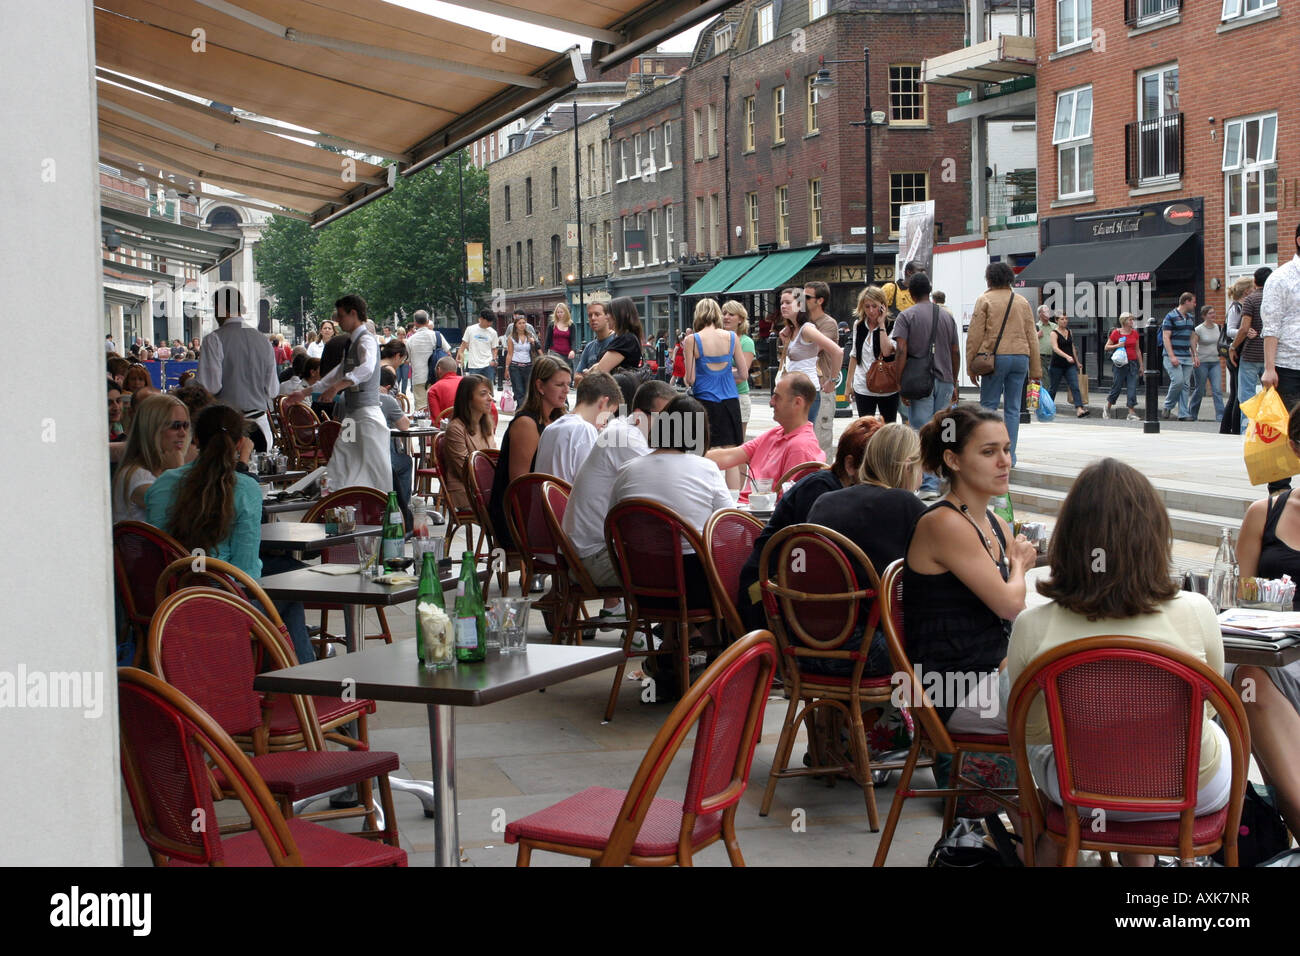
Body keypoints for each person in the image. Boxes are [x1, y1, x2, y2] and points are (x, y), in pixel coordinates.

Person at [1010, 460, 1227, 866]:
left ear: (1069, 538)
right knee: (1205, 739)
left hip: (1080, 792)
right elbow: (1209, 706)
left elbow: (1031, 728)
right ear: (1154, 536)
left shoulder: (1032, 624)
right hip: (1188, 791)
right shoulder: (1198, 611)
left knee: (1064, 747)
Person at [146, 404, 315, 666]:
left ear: (196, 439)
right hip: (222, 606)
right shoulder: (244, 488)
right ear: (239, 443)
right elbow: (246, 571)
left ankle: (281, 678)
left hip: (169, 602)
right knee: (289, 597)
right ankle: (301, 684)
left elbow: (156, 549)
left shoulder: (163, 484)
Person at [904, 403, 1036, 733]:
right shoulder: (945, 523)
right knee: (1078, 703)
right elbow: (1010, 604)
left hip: (988, 674)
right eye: (989, 451)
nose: (1004, 461)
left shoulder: (993, 521)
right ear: (953, 460)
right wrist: (1019, 565)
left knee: (1088, 684)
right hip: (948, 687)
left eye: (1006, 449)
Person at [797, 422, 927, 676]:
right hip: (864, 653)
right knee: (947, 646)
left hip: (804, 645)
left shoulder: (825, 501)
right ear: (909, 466)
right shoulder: (905, 505)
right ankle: (908, 714)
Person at [735, 416, 884, 633]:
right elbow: (816, 563)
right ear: (851, 465)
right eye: (874, 472)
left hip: (796, 592)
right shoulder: (821, 492)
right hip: (768, 597)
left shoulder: (838, 490)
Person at [1233, 408, 1300, 839]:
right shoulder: (1265, 512)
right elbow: (1237, 601)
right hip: (1273, 660)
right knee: (1246, 678)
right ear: (1295, 448)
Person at [609, 395, 732, 614]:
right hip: (694, 586)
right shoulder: (706, 468)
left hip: (639, 580)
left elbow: (611, 525)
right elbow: (728, 525)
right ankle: (711, 638)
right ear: (700, 433)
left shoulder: (627, 470)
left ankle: (674, 638)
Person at [563, 380, 675, 621]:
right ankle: (651, 633)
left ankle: (633, 618)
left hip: (594, 549)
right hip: (593, 558)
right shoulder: (625, 437)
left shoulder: (623, 431)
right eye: (662, 417)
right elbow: (668, 483)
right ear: (638, 416)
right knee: (678, 567)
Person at [287, 295, 392, 493]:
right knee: (343, 458)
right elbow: (335, 373)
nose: (338, 320)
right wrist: (306, 392)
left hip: (368, 415)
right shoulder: (351, 343)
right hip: (353, 416)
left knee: (377, 469)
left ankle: (383, 510)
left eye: (341, 316)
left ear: (354, 314)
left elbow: (367, 368)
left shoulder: (367, 341)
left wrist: (336, 387)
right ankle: (337, 502)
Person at [487, 356, 570, 551]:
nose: (566, 390)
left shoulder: (558, 420)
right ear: (540, 386)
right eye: (559, 384)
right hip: (518, 516)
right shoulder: (526, 424)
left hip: (543, 503)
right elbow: (521, 485)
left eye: (568, 384)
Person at [892, 271, 961, 499]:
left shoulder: (906, 316)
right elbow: (955, 351)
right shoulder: (946, 316)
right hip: (945, 380)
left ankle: (929, 483)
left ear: (910, 293)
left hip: (920, 382)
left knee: (921, 431)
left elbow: (901, 350)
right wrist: (954, 380)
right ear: (929, 291)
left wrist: (899, 380)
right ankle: (946, 477)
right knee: (944, 430)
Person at [705, 373, 825, 502]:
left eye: (777, 397)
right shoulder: (775, 434)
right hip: (746, 511)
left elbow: (789, 504)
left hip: (758, 518)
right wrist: (687, 459)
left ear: (797, 403)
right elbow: (729, 456)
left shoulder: (801, 446)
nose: (771, 402)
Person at [968, 262, 1042, 461]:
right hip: (1020, 357)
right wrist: (1035, 369)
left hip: (995, 358)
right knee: (1013, 409)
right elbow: (1032, 336)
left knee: (988, 407)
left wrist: (970, 366)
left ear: (989, 278)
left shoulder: (984, 300)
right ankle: (1011, 455)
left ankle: (988, 453)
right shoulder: (1021, 302)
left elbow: (974, 336)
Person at [196, 288, 279, 451]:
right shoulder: (263, 340)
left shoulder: (213, 339)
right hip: (261, 426)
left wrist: (190, 382)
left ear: (221, 307)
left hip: (226, 428)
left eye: (214, 307)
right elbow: (273, 390)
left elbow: (210, 386)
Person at [1262, 224, 1300, 492]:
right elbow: (1271, 326)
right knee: (1284, 428)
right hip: (1288, 366)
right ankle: (1279, 489)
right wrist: (1269, 368)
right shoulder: (1281, 278)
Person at [112, 393, 189, 523]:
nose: (183, 433)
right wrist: (177, 472)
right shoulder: (137, 477)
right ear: (153, 429)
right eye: (175, 426)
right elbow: (187, 512)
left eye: (185, 425)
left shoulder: (157, 470)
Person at [533, 371, 622, 483]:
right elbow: (589, 484)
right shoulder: (584, 429)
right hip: (564, 499)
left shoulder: (550, 428)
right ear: (603, 403)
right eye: (609, 414)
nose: (605, 423)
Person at [683, 299, 745, 455]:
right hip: (730, 400)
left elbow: (690, 379)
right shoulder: (732, 337)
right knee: (731, 453)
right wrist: (724, 374)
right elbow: (743, 374)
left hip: (704, 400)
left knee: (705, 451)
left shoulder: (692, 340)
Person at [777, 287, 842, 431]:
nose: (783, 306)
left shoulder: (807, 329)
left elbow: (837, 352)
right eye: (781, 303)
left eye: (788, 302)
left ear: (800, 305)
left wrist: (832, 380)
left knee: (802, 435)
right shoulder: (794, 330)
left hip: (806, 392)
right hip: (793, 391)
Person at [442, 374, 498, 514]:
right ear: (468, 398)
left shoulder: (486, 425)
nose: (490, 398)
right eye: (483, 394)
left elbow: (494, 459)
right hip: (466, 492)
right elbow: (465, 471)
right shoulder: (456, 428)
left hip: (486, 489)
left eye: (490, 393)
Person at [846, 286, 899, 422]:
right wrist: (848, 385)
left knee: (888, 428)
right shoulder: (858, 325)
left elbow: (887, 351)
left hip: (887, 385)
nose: (871, 311)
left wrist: (881, 325)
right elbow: (854, 355)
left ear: (883, 306)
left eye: (874, 306)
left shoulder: (892, 325)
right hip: (862, 385)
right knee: (865, 429)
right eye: (867, 306)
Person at [803, 281, 843, 457]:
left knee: (821, 441)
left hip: (822, 386)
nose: (802, 300)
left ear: (820, 300)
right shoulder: (801, 323)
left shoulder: (828, 323)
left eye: (807, 297)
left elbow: (813, 349)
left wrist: (832, 380)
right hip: (804, 387)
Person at [1232, 266, 1274, 434]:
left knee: (1247, 397)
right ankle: (1268, 431)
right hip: (1269, 355)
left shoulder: (1251, 300)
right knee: (1270, 397)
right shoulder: (1275, 299)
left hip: (1249, 355)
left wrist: (1233, 347)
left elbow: (1244, 329)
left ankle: (1247, 431)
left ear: (1255, 281)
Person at [377, 367, 414, 529]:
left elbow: (335, 422)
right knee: (405, 462)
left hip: (349, 458)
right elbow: (405, 426)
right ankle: (401, 510)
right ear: (388, 387)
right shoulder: (386, 400)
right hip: (379, 458)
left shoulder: (344, 397)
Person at [1222, 275, 1255, 434]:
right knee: (1237, 393)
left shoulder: (1241, 306)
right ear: (1247, 291)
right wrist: (1245, 332)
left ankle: (1227, 428)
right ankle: (1234, 428)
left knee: (1235, 393)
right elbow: (1230, 330)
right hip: (1235, 351)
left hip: (1238, 350)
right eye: (1253, 288)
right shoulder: (1236, 307)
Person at [1160, 292, 1199, 421]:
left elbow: (1192, 337)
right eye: (1193, 302)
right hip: (1172, 355)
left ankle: (1183, 413)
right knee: (1178, 381)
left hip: (1186, 356)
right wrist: (1172, 356)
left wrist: (1195, 355)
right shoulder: (1170, 316)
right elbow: (1166, 337)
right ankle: (1168, 405)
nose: (1195, 304)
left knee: (1186, 385)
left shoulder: (1190, 318)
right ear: (1186, 302)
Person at [720, 301, 756, 437]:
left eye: (731, 314)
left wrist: (717, 373)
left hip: (738, 396)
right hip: (717, 396)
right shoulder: (716, 339)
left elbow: (742, 375)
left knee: (737, 441)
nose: (726, 317)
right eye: (724, 313)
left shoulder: (746, 342)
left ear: (740, 319)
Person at [1102, 312, 1145, 421]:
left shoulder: (1135, 333)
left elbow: (1137, 350)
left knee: (1132, 387)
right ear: (1124, 321)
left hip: (1132, 363)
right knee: (1117, 387)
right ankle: (1107, 407)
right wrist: (1118, 345)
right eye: (1130, 320)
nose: (1132, 322)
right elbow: (1106, 347)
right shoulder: (1116, 333)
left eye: (1132, 320)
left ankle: (1131, 412)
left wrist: (1141, 365)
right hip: (1120, 364)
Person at [1046, 311, 1089, 419]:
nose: (1065, 321)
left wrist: (1077, 361)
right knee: (1053, 388)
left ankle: (1079, 409)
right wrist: (1066, 356)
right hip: (1056, 365)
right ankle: (1047, 408)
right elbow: (1055, 348)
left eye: (1066, 318)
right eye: (1062, 319)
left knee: (1075, 386)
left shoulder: (1069, 331)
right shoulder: (1053, 333)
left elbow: (1072, 347)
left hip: (1069, 365)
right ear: (1056, 320)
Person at [589, 297, 645, 376]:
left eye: (609, 313)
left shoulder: (626, 340)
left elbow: (600, 370)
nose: (606, 317)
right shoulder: (627, 338)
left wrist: (591, 370)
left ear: (618, 315)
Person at [406, 311, 448, 411]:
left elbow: (407, 361)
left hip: (419, 378)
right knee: (438, 408)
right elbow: (448, 355)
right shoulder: (437, 336)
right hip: (437, 378)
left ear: (415, 323)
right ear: (428, 321)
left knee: (421, 410)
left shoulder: (411, 340)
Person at [1190, 305, 1225, 422]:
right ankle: (1192, 413)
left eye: (1214, 313)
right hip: (1202, 362)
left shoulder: (1218, 328)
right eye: (1210, 313)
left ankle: (1220, 416)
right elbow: (1193, 344)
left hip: (1215, 362)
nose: (1213, 315)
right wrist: (1195, 357)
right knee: (1200, 390)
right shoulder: (1198, 329)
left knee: (1217, 390)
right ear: (1204, 316)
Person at [573, 301, 615, 383]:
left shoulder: (617, 341)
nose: (593, 318)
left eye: (597, 314)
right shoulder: (589, 347)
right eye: (590, 315)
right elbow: (576, 379)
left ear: (607, 317)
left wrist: (587, 376)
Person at [457, 309, 500, 386]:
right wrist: (459, 357)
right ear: (481, 319)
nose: (490, 323)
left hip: (488, 365)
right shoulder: (470, 329)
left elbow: (494, 348)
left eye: (491, 321)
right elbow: (463, 344)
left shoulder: (493, 332)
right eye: (488, 321)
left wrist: (494, 360)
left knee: (488, 387)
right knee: (474, 388)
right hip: (474, 365)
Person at [505, 313, 540, 404]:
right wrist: (507, 368)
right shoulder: (511, 337)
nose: (522, 325)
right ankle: (522, 411)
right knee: (519, 390)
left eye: (524, 323)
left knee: (528, 390)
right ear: (515, 325)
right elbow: (510, 353)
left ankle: (522, 409)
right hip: (515, 366)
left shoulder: (530, 335)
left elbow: (538, 348)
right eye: (520, 323)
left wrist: (533, 342)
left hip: (528, 366)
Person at [543, 303, 579, 367]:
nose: (559, 314)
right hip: (554, 352)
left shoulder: (571, 325)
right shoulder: (552, 324)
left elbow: (573, 339)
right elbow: (547, 340)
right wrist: (545, 353)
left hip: (567, 354)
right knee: (557, 370)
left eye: (561, 312)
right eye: (558, 312)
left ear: (565, 312)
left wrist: (573, 350)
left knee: (567, 372)